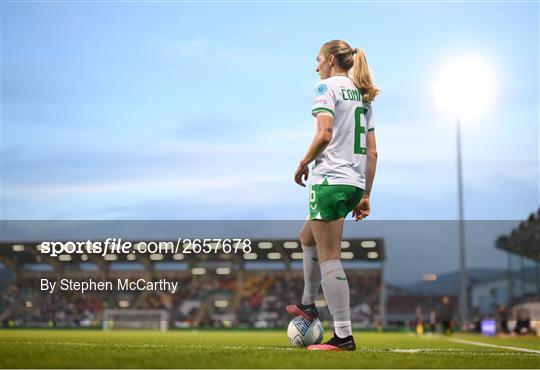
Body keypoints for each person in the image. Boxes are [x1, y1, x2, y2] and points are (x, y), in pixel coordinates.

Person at [286, 39, 379, 351]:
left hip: (330, 181)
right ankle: (308, 305)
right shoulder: (363, 96)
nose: (316, 67)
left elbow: (324, 133)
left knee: (330, 258)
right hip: (353, 182)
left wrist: (303, 162)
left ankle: (343, 336)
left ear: (329, 60)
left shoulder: (326, 88)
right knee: (307, 236)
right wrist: (365, 195)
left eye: (317, 60)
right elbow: (373, 152)